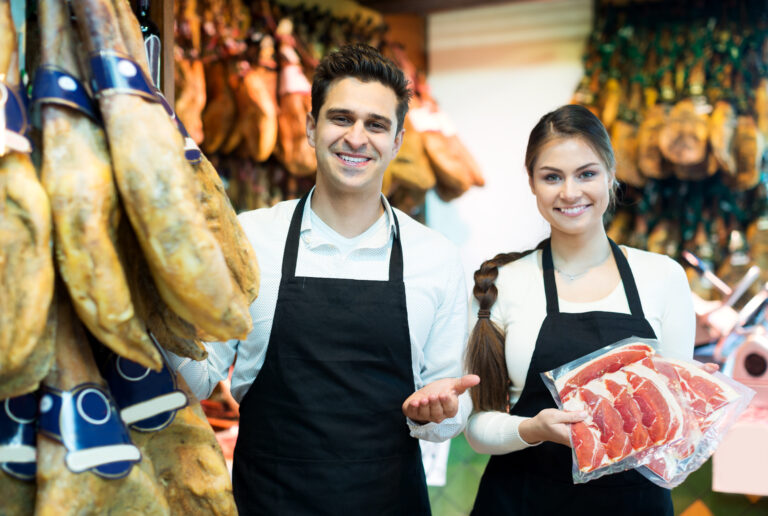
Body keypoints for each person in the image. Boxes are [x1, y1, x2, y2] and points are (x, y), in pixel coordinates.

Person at [166, 43, 478, 515]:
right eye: (340, 118)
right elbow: (200, 378)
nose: (356, 137)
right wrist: (158, 304)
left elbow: (446, 413)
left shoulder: (434, 258)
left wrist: (438, 414)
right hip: (268, 501)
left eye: (376, 125)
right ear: (311, 128)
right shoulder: (250, 239)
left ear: (396, 141)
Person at [465, 104, 697, 516]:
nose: (570, 192)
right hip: (522, 500)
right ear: (533, 185)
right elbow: (478, 428)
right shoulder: (503, 284)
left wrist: (696, 405)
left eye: (586, 173)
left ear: (610, 174)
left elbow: (678, 424)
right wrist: (532, 429)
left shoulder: (662, 277)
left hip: (634, 503)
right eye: (552, 176)